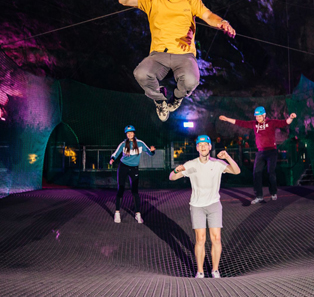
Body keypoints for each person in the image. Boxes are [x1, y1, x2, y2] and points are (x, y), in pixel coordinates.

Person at [119, 0, 236, 122]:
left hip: (184, 54)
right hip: (158, 54)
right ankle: (160, 100)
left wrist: (222, 22)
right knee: (141, 73)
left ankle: (176, 98)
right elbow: (124, 0)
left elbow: (208, 15)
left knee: (191, 79)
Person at [169, 135, 240, 278]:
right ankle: (200, 271)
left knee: (216, 239)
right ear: (197, 148)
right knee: (200, 239)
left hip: (214, 205)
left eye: (205, 144)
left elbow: (236, 171)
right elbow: (172, 177)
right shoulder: (191, 164)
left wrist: (227, 156)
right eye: (200, 145)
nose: (203, 147)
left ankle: (215, 270)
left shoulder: (217, 163)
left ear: (210, 147)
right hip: (197, 206)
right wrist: (177, 170)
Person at [219, 107, 296, 204]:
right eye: (256, 117)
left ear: (264, 115)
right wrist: (227, 119)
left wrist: (291, 117)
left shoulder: (271, 122)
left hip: (271, 151)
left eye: (259, 116)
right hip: (260, 152)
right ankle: (259, 196)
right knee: (256, 173)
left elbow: (285, 122)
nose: (258, 119)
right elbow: (240, 122)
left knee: (270, 172)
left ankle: (273, 192)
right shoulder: (254, 124)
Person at [110, 125, 156, 224]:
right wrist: (112, 159)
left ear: (134, 133)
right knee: (121, 189)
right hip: (123, 167)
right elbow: (116, 153)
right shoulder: (123, 144)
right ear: (126, 134)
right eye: (128, 133)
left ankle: (138, 214)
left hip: (134, 168)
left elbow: (149, 152)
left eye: (131, 132)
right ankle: (117, 213)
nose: (130, 134)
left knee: (135, 191)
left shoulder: (140, 143)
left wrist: (153, 151)